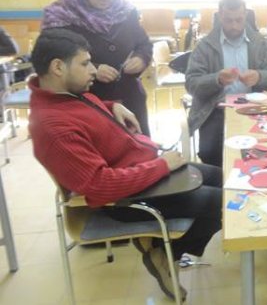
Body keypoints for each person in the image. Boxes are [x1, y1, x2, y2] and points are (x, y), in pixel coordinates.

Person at [28, 28, 222, 301]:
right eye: (85, 63)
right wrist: (162, 166)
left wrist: (110, 106)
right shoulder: (53, 128)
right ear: (58, 67)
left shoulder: (66, 95)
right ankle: (165, 254)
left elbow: (84, 117)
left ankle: (163, 249)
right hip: (125, 198)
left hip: (144, 172)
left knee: (223, 178)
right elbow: (100, 185)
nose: (93, 70)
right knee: (223, 204)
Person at [42, 0, 153, 136]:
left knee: (139, 149)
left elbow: (143, 44)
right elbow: (52, 60)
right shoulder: (61, 17)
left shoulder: (125, 11)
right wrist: (91, 68)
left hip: (130, 99)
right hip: (86, 103)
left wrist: (141, 58)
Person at [186, 0, 267, 167]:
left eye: (238, 20)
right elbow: (191, 83)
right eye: (228, 20)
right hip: (216, 110)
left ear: (245, 15)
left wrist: (259, 77)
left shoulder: (259, 43)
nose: (234, 26)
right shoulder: (205, 46)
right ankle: (220, 181)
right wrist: (217, 79)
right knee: (211, 153)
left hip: (254, 109)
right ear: (220, 16)